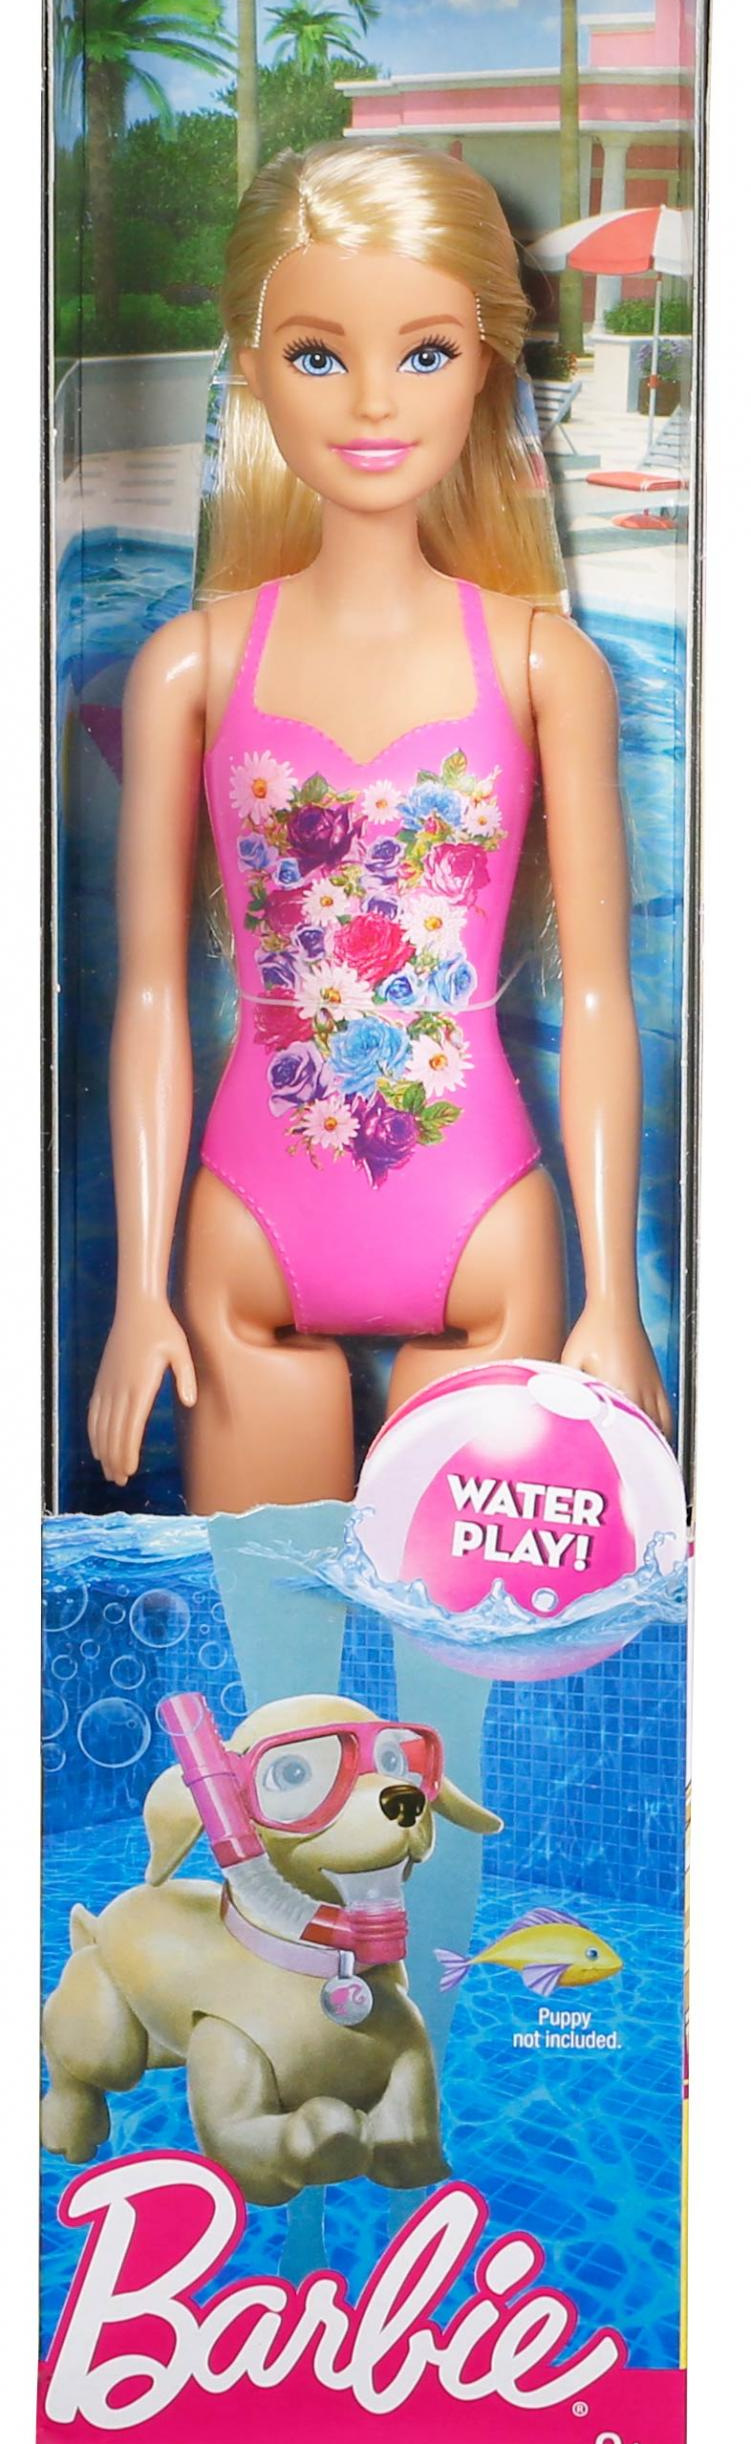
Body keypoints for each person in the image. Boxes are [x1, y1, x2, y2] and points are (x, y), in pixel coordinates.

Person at [87, 141, 670, 1509]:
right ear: (251, 368)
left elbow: (600, 994)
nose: (369, 401)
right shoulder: (192, 666)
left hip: (483, 1223)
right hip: (246, 1231)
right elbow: (150, 993)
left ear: (486, 368)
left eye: (423, 353)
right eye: (315, 354)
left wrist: (619, 1302)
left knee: (456, 1631)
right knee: (267, 1633)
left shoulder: (543, 663)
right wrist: (132, 1294)